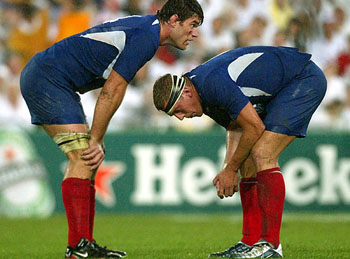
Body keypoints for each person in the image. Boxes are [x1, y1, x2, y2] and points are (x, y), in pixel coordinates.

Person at [20, 0, 203, 258]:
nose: (195, 32)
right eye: (192, 25)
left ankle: (84, 244)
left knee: (87, 159)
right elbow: (112, 90)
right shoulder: (146, 36)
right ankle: (78, 248)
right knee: (84, 155)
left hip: (51, 77)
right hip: (49, 79)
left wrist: (96, 137)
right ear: (173, 20)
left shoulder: (145, 28)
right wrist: (96, 137)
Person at [152, 46, 327, 258]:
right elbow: (235, 126)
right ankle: (251, 241)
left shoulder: (211, 84)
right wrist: (229, 168)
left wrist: (230, 169)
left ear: (187, 92)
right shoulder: (201, 91)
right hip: (284, 85)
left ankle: (271, 245)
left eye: (178, 110)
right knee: (247, 162)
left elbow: (254, 128)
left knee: (263, 153)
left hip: (303, 78)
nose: (180, 117)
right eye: (174, 115)